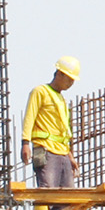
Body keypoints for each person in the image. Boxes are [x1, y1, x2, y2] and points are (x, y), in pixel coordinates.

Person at [21, 56, 80, 186]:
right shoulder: (40, 92)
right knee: (48, 193)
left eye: (73, 80)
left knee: (68, 198)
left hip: (63, 153)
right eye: (69, 79)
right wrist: (25, 143)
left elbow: (62, 132)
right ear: (59, 74)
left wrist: (70, 156)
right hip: (47, 151)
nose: (70, 83)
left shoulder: (61, 100)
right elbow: (29, 118)